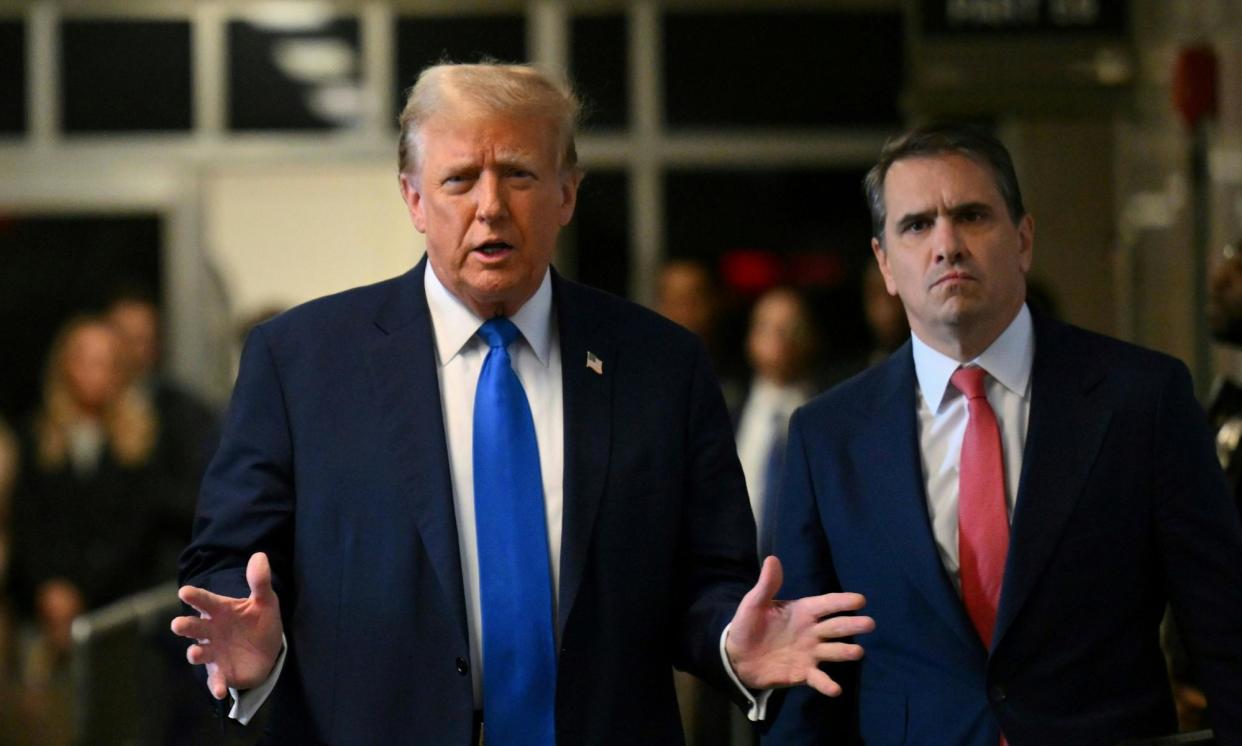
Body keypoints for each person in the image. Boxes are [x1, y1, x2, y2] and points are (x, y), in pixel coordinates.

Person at [173, 62, 874, 745]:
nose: (490, 206)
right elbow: (230, 558)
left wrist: (730, 641)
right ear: (414, 198)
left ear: (567, 193)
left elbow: (708, 578)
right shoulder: (302, 361)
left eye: (519, 174)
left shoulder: (662, 365)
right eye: (458, 179)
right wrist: (251, 639)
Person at [764, 123, 1242, 745]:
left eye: (971, 216)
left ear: (1023, 239)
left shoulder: (1141, 400)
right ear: (884, 263)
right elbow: (812, 673)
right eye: (916, 225)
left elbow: (1225, 627)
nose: (947, 245)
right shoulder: (826, 437)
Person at [8, 317, 163, 683]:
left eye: (105, 361)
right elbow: (27, 523)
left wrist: (80, 590)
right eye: (84, 360)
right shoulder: (35, 438)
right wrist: (50, 589)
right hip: (42, 616)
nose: (94, 372)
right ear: (63, 366)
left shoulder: (141, 443)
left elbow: (134, 532)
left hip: (115, 615)